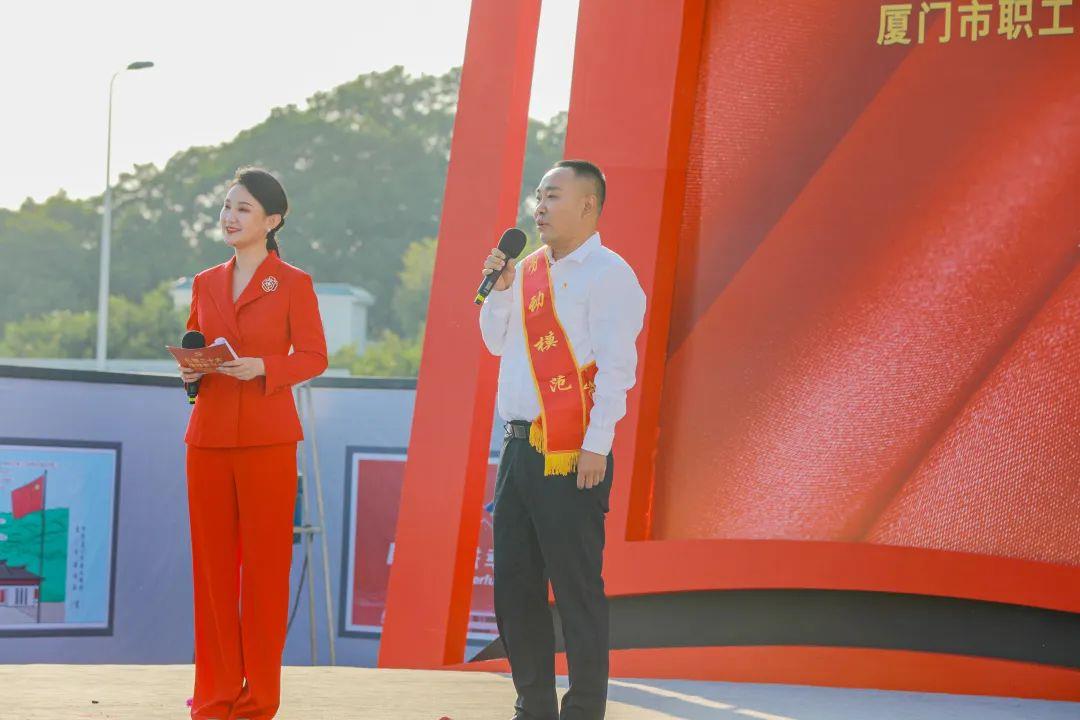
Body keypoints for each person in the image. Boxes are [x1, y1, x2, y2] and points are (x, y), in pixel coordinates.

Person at [479, 160, 646, 720]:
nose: (540, 207)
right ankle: (533, 705)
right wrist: (500, 291)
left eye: (553, 196)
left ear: (588, 205)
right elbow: (495, 341)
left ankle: (583, 709)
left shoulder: (610, 274)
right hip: (518, 447)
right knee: (515, 586)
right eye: (539, 196)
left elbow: (618, 368)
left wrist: (598, 443)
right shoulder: (525, 271)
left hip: (573, 453)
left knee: (576, 589)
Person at [179, 167, 327, 720]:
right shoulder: (204, 282)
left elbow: (314, 356)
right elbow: (197, 344)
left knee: (264, 573)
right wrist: (191, 371)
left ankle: (258, 698)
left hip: (268, 439)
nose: (230, 217)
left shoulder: (293, 283)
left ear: (272, 220)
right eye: (227, 206)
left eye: (243, 208)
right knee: (212, 573)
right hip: (208, 438)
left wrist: (263, 366)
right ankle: (215, 695)